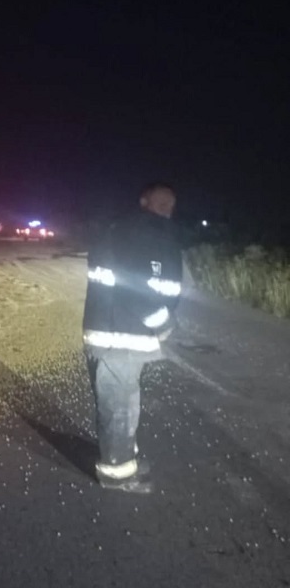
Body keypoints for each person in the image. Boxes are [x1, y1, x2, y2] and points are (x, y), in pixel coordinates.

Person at [82, 183, 183, 493]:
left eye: (171, 203)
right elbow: (135, 286)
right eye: (161, 201)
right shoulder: (143, 234)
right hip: (121, 335)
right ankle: (118, 475)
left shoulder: (124, 230)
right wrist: (164, 323)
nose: (167, 208)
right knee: (120, 406)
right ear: (144, 201)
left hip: (115, 332)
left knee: (119, 402)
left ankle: (125, 455)